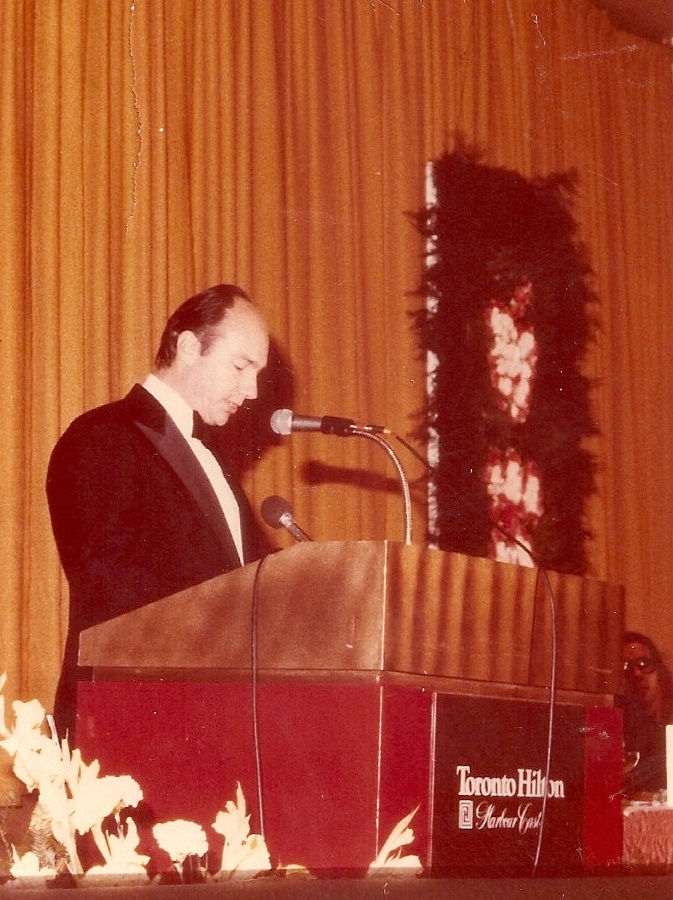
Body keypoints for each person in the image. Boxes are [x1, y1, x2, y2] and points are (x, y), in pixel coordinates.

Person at [47, 284, 271, 741]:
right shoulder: (101, 436)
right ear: (189, 347)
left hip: (212, 724)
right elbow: (106, 586)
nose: (251, 391)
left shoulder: (214, 460)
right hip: (127, 722)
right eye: (240, 366)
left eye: (258, 373)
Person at [619, 631, 673, 796]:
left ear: (658, 669)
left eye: (643, 664)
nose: (637, 674)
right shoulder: (620, 728)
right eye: (626, 667)